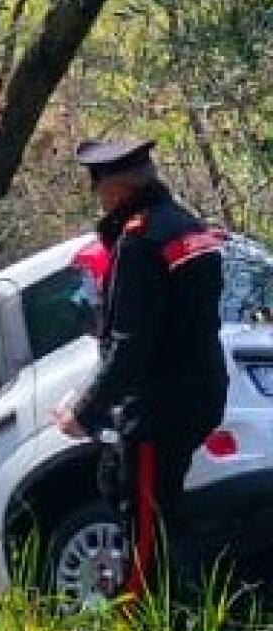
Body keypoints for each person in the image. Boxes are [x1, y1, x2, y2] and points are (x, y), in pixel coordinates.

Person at [52, 139, 229, 596]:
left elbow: (130, 345)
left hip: (157, 408)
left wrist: (84, 412)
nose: (100, 201)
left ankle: (140, 621)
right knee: (149, 501)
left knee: (144, 520)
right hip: (200, 393)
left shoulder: (139, 243)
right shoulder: (187, 228)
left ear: (118, 188)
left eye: (102, 191)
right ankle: (186, 607)